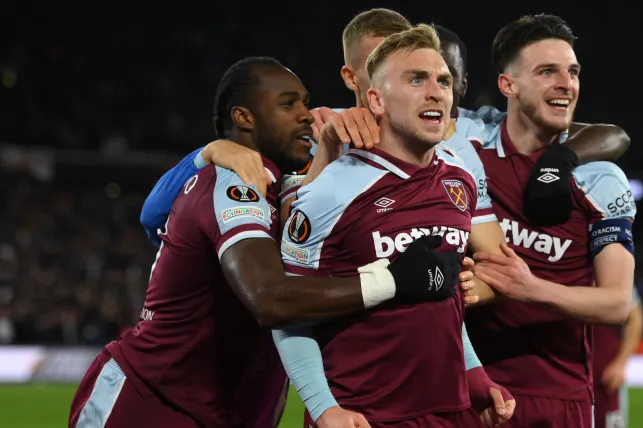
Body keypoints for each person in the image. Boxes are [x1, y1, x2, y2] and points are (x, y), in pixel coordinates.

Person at [68, 57, 465, 428]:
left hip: (234, 406)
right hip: (151, 403)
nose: (305, 115)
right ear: (244, 117)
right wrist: (393, 282)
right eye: (287, 104)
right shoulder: (235, 180)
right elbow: (270, 298)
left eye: (306, 103)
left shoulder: (282, 187)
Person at [139, 9, 631, 244]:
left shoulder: (461, 141)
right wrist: (210, 152)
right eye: (393, 68)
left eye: (423, 71)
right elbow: (156, 216)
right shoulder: (315, 136)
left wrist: (558, 161)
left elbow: (607, 132)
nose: (419, 85)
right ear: (358, 80)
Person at [274, 24, 512, 428]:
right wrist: (322, 407)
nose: (435, 91)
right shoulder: (330, 190)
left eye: (443, 81)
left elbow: (442, 297)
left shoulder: (460, 182)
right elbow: (288, 311)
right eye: (416, 79)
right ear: (376, 99)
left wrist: (475, 376)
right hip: (362, 418)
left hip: (448, 413)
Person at [456, 14, 637, 428]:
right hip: (464, 388)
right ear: (508, 85)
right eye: (547, 72)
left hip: (556, 399)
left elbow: (616, 302)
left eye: (572, 72)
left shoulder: (601, 178)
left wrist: (530, 288)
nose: (566, 83)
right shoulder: (466, 141)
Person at [593, 287, 643, 428]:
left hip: (604, 375)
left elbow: (636, 319)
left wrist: (620, 363)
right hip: (564, 373)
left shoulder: (609, 269)